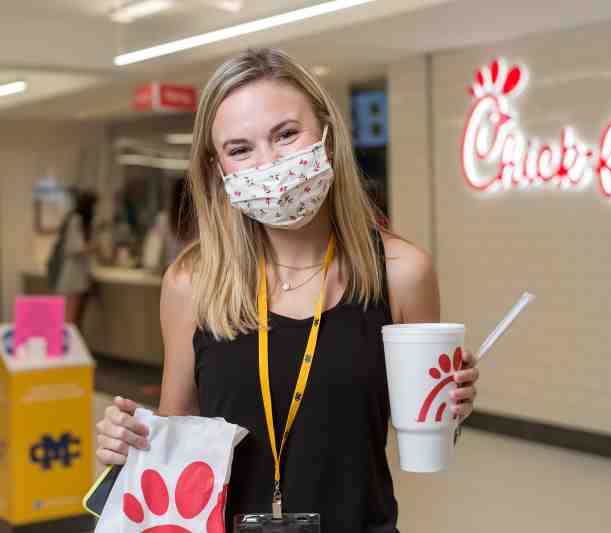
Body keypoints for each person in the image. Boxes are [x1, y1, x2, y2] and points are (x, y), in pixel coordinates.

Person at [95, 48, 480, 532]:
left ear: (326, 133)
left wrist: (452, 403)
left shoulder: (402, 272)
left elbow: (429, 424)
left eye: (285, 134)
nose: (269, 163)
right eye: (240, 149)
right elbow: (178, 431)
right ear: (217, 169)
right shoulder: (193, 283)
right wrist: (128, 437)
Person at [54, 189, 98, 329]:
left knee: (75, 320)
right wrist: (93, 247)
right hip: (73, 276)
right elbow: (74, 247)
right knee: (70, 321)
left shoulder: (80, 221)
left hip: (79, 277)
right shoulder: (76, 220)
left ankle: (73, 347)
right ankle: (68, 348)